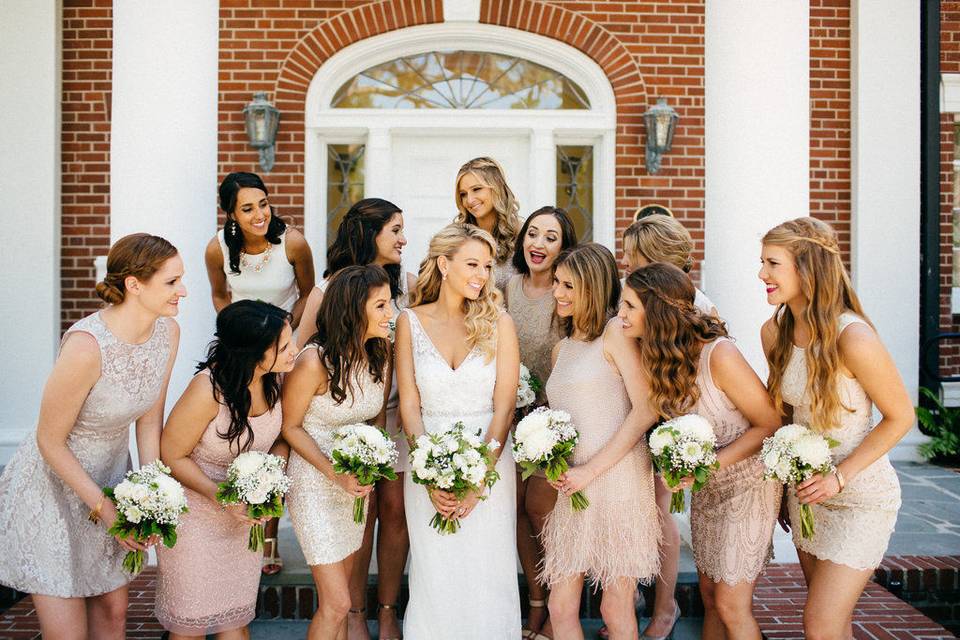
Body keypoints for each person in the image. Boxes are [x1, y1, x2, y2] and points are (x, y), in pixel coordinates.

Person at [0, 233, 183, 639]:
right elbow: (50, 441)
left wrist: (153, 497)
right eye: (171, 282)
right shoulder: (85, 346)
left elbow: (149, 421)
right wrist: (103, 508)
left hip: (113, 477)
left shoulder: (167, 334)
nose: (181, 291)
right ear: (135, 285)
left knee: (114, 611)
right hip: (53, 486)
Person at [759, 217, 913, 640]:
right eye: (762, 263)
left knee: (819, 621)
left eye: (773, 264)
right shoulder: (774, 332)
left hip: (859, 494)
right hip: (807, 493)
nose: (762, 275)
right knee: (832, 623)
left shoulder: (854, 337)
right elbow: (787, 417)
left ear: (806, 269)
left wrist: (838, 477)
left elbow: (901, 417)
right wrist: (784, 489)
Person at [621, 263, 782, 640]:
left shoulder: (718, 354)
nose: (621, 315)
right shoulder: (657, 357)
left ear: (656, 312)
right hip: (707, 489)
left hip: (748, 485)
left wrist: (709, 465)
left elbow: (769, 422)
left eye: (628, 306)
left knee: (730, 602)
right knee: (710, 597)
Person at [395, 223, 521, 638]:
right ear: (443, 264)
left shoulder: (499, 323)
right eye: (472, 264)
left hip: (490, 462)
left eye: (487, 266)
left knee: (488, 571)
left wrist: (480, 477)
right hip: (425, 462)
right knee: (436, 573)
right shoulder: (408, 323)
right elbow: (410, 405)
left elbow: (504, 407)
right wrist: (427, 471)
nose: (482, 275)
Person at [297, 198, 414, 640]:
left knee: (394, 510)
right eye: (395, 230)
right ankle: (352, 612)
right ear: (370, 234)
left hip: (392, 412)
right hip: (342, 414)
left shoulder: (409, 282)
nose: (404, 239)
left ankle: (385, 611)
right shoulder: (330, 290)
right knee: (359, 514)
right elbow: (307, 353)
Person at [541, 243, 660, 640]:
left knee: (615, 604)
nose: (557, 292)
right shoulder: (561, 349)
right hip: (573, 484)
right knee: (560, 605)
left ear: (592, 288)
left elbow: (645, 410)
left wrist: (591, 470)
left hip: (618, 479)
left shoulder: (615, 334)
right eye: (557, 283)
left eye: (568, 285)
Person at [156, 301, 295, 638]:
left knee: (235, 623)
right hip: (195, 518)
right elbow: (172, 455)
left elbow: (281, 438)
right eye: (285, 347)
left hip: (242, 523)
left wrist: (268, 481)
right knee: (191, 625)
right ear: (254, 353)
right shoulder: (208, 390)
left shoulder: (274, 381)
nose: (295, 352)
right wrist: (221, 497)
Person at [205, 171, 314, 573]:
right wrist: (241, 334)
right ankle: (234, 519)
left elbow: (308, 292)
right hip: (238, 356)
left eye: (263, 204)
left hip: (283, 355)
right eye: (248, 208)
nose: (259, 214)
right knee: (235, 435)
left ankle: (269, 538)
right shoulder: (217, 249)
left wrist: (285, 335)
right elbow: (219, 294)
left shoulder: (293, 242)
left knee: (275, 441)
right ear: (231, 214)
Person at [617, 212, 717, 639]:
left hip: (674, 417)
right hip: (639, 409)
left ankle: (665, 605)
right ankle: (630, 595)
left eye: (632, 258)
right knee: (632, 508)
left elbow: (700, 375)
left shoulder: (698, 306)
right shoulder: (636, 297)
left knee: (661, 512)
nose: (625, 265)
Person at [283, 265, 394, 640]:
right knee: (337, 604)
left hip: (354, 486)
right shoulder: (313, 361)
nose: (389, 314)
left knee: (341, 599)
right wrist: (335, 473)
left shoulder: (380, 354)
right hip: (315, 482)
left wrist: (369, 465)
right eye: (380, 306)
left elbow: (376, 421)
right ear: (354, 308)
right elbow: (290, 426)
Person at [503, 206, 578, 640]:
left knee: (542, 512)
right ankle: (535, 603)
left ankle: (558, 608)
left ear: (564, 247)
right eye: (533, 233)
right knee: (515, 510)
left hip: (555, 420)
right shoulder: (508, 287)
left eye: (551, 237)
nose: (538, 244)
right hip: (511, 415)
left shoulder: (567, 293)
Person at [453, 157, 522, 291]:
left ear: (496, 187)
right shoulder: (457, 236)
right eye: (463, 194)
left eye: (477, 189)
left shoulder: (522, 233)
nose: (469, 200)